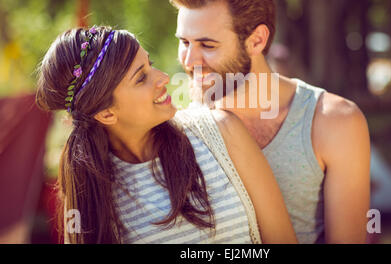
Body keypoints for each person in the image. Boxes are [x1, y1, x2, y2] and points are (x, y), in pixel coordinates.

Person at [35, 26, 297, 244]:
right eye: (141, 78)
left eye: (151, 65)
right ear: (106, 114)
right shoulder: (91, 196)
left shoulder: (222, 131)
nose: (162, 78)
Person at [169, 0, 371, 243]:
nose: (190, 62)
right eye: (185, 42)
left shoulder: (334, 122)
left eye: (207, 45)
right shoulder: (179, 127)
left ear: (257, 40)